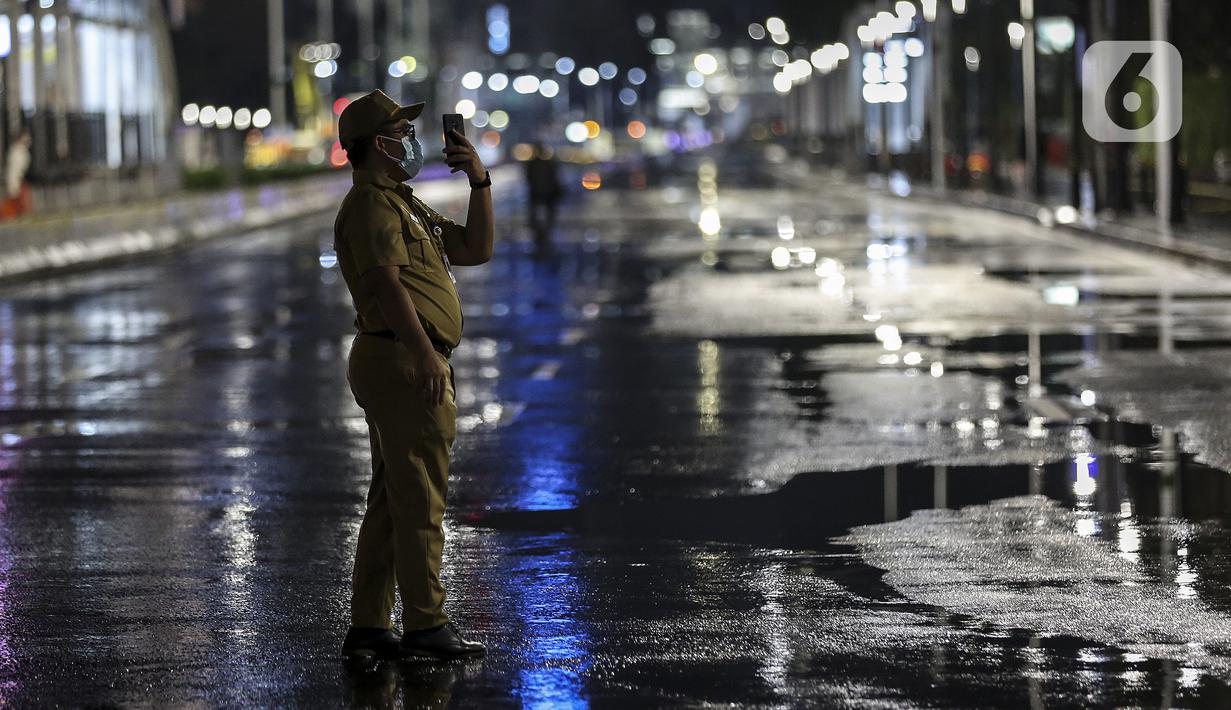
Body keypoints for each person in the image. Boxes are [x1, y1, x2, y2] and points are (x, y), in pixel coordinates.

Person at [332, 90, 493, 661]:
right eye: (402, 132)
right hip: (402, 359)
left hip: (405, 355)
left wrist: (480, 181)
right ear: (380, 143)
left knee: (392, 497)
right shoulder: (372, 207)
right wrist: (426, 354)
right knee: (421, 496)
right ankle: (426, 624)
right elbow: (385, 285)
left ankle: (370, 627)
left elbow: (475, 249)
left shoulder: (403, 203)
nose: (411, 141)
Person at [523, 142, 561, 254]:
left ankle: (540, 232)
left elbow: (528, 178)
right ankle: (543, 231)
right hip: (546, 193)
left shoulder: (532, 164)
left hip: (539, 192)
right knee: (546, 214)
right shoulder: (548, 163)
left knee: (537, 214)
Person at [2, 129, 32, 219]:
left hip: (21, 181)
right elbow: (13, 171)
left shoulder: (22, 151)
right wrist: (14, 186)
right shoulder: (16, 153)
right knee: (15, 205)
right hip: (17, 182)